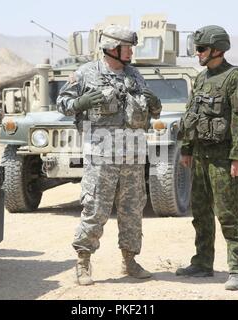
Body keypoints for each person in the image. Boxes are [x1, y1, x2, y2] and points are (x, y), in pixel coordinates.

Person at [57, 25, 162, 286]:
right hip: (101, 155)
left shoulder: (135, 75)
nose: (131, 52)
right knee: (95, 208)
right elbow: (63, 104)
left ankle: (130, 261)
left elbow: (150, 111)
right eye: (127, 47)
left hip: (133, 155)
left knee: (132, 209)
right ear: (112, 48)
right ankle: (83, 262)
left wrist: (154, 104)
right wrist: (80, 103)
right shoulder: (85, 74)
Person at [176, 25, 238, 290]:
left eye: (201, 49)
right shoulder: (200, 79)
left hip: (223, 159)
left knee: (228, 214)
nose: (197, 53)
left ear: (217, 49)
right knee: (200, 213)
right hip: (199, 157)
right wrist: (187, 149)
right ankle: (202, 263)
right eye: (197, 49)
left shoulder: (236, 78)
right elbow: (191, 115)